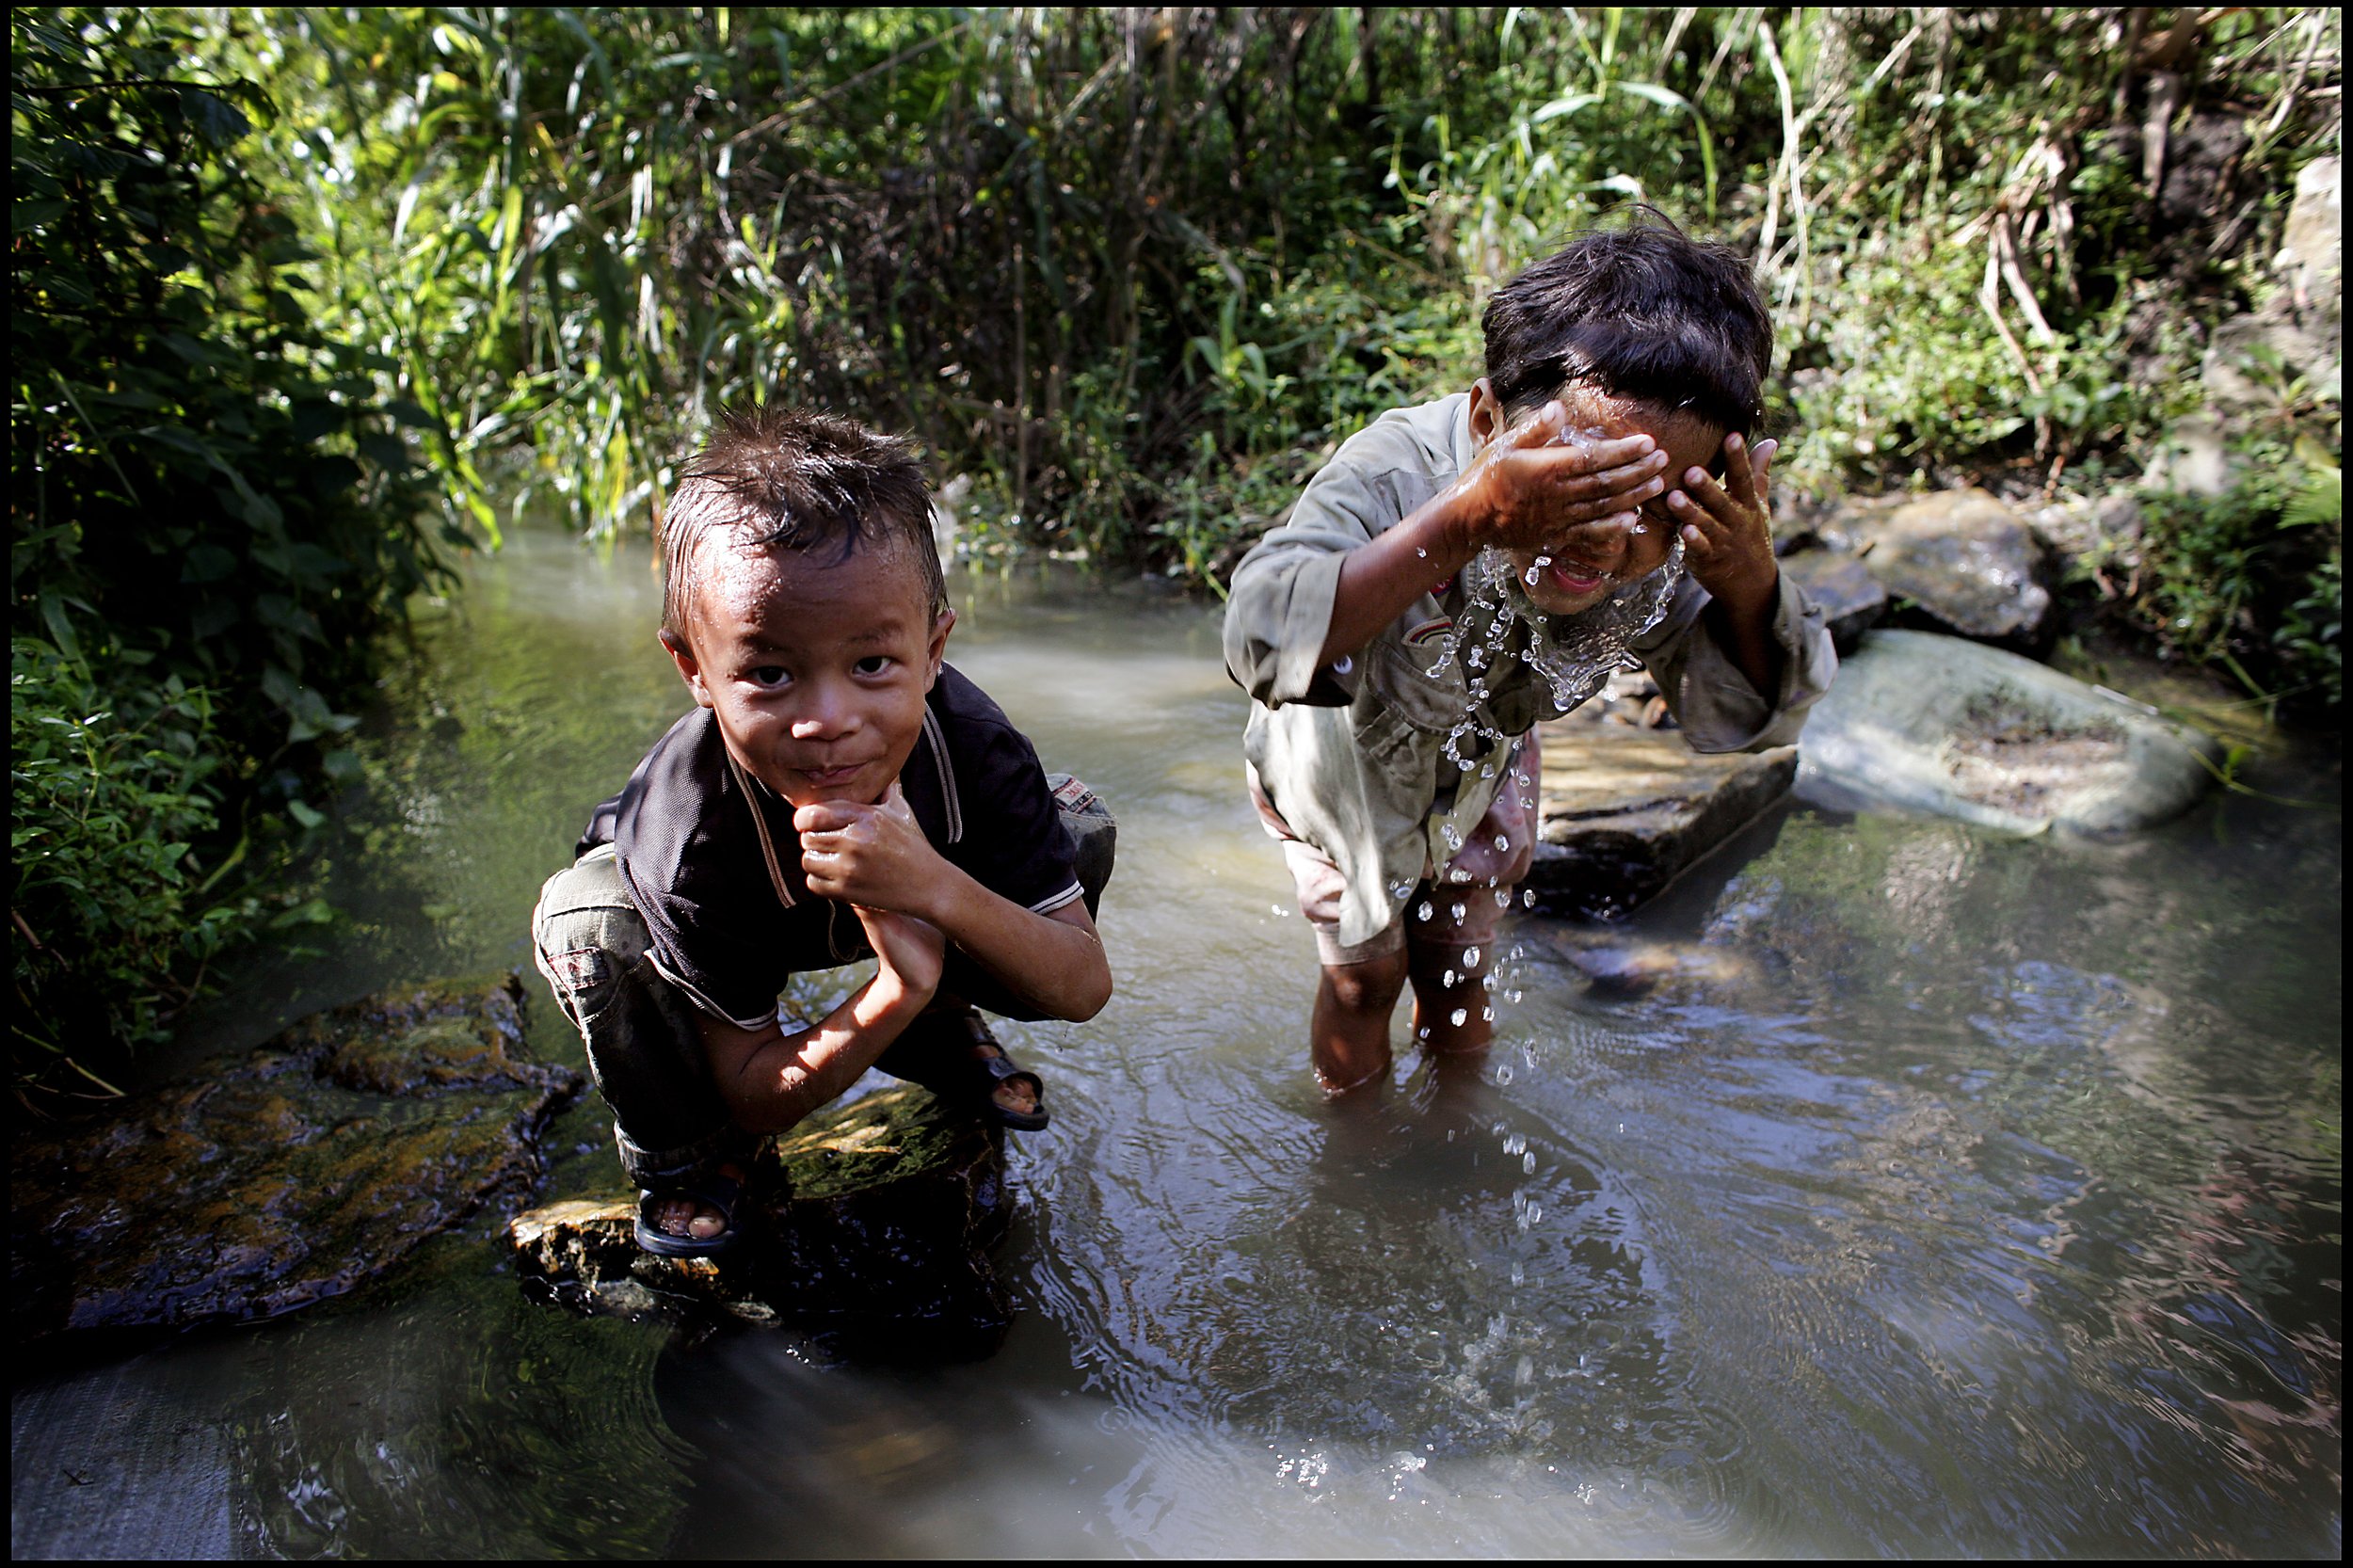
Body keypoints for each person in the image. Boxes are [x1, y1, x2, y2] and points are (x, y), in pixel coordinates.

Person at [1223, 215, 1837, 1092]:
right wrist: (1469, 520)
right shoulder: (1397, 475)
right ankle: (1355, 1176)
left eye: (1655, 506)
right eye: (1580, 487)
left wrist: (1747, 581)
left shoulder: (1665, 537)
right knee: (1367, 977)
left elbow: (1755, 717)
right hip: (1340, 752)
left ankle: (1455, 1145)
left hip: (1485, 753)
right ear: (1486, 422)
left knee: (1462, 966)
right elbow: (1259, 638)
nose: (1609, 536)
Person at [532, 406, 1114, 1256]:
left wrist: (932, 890)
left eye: (873, 664)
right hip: (739, 920)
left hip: (903, 891)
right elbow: (755, 1090)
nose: (828, 722)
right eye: (769, 673)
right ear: (694, 670)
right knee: (590, 927)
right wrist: (896, 989)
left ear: (935, 648)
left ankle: (940, 1027)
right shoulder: (689, 838)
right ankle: (687, 1157)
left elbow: (1082, 986)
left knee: (1077, 825)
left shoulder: (973, 751)